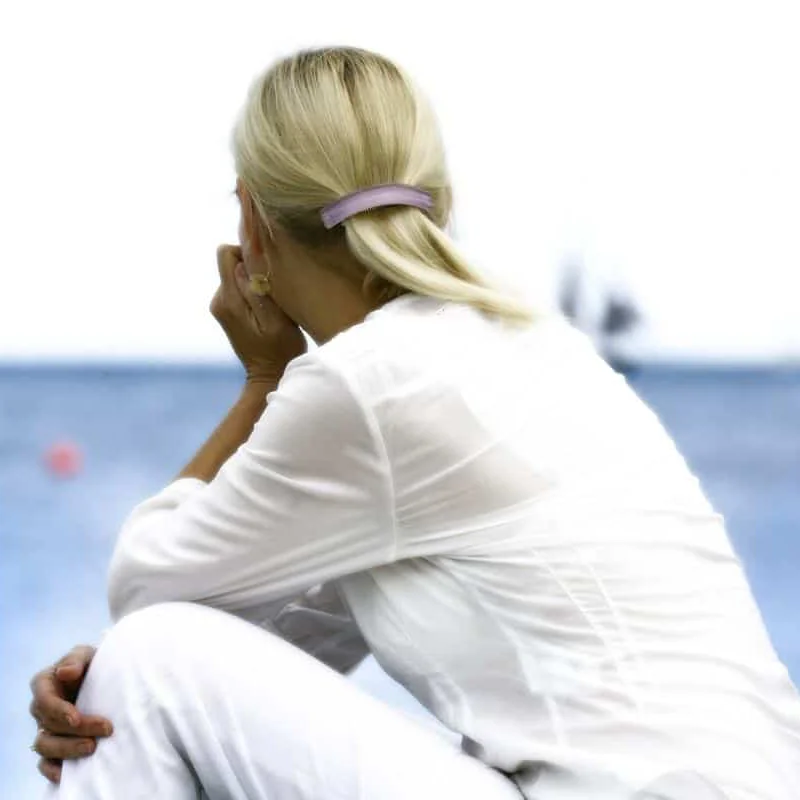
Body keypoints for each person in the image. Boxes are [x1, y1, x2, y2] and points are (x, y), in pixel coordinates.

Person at [27, 46, 800, 800]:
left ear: (252, 221)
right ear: (441, 201)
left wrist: (263, 379)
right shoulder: (530, 351)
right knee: (140, 671)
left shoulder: (368, 384)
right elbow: (296, 635)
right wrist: (107, 695)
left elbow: (145, 588)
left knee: (149, 658)